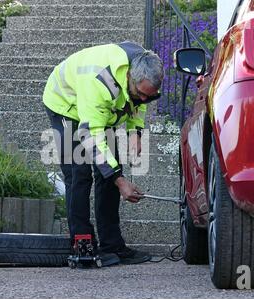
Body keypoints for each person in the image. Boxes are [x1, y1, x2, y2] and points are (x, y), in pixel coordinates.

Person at [43, 41, 164, 266]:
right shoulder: (100, 83)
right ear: (129, 77)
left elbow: (140, 101)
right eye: (141, 93)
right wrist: (121, 181)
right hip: (66, 104)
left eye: (151, 96)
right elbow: (91, 135)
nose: (145, 100)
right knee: (79, 174)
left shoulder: (142, 66)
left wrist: (135, 131)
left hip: (100, 111)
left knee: (110, 169)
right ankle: (82, 243)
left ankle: (112, 245)